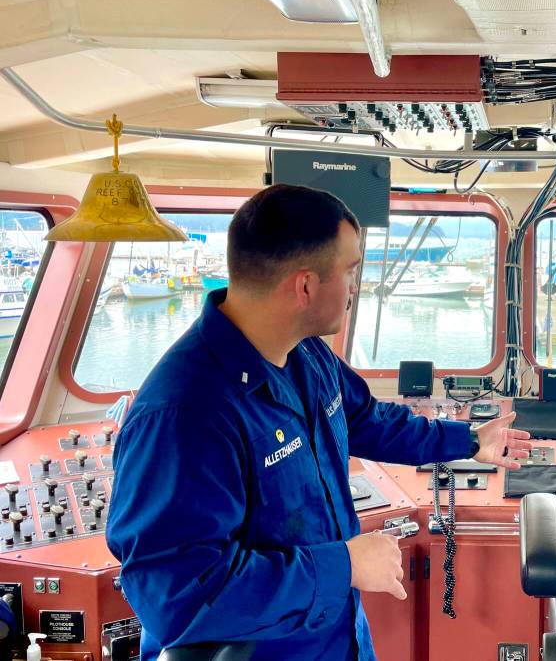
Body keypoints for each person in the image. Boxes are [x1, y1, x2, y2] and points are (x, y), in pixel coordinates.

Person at [105, 184, 532, 661]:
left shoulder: (306, 354)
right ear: (305, 286)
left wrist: (468, 440)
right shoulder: (185, 414)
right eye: (351, 272)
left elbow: (367, 420)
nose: (355, 288)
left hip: (337, 639)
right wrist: (343, 565)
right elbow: (177, 597)